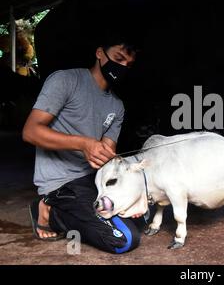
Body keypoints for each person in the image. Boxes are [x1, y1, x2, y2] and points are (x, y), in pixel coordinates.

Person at [22, 35, 143, 253]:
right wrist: (83, 144)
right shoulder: (66, 81)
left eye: (129, 64)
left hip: (93, 180)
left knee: (143, 209)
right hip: (62, 183)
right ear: (99, 53)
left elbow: (107, 155)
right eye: (118, 58)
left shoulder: (117, 105)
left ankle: (79, 210)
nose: (123, 66)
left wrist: (129, 187)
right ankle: (50, 210)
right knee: (123, 239)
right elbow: (31, 131)